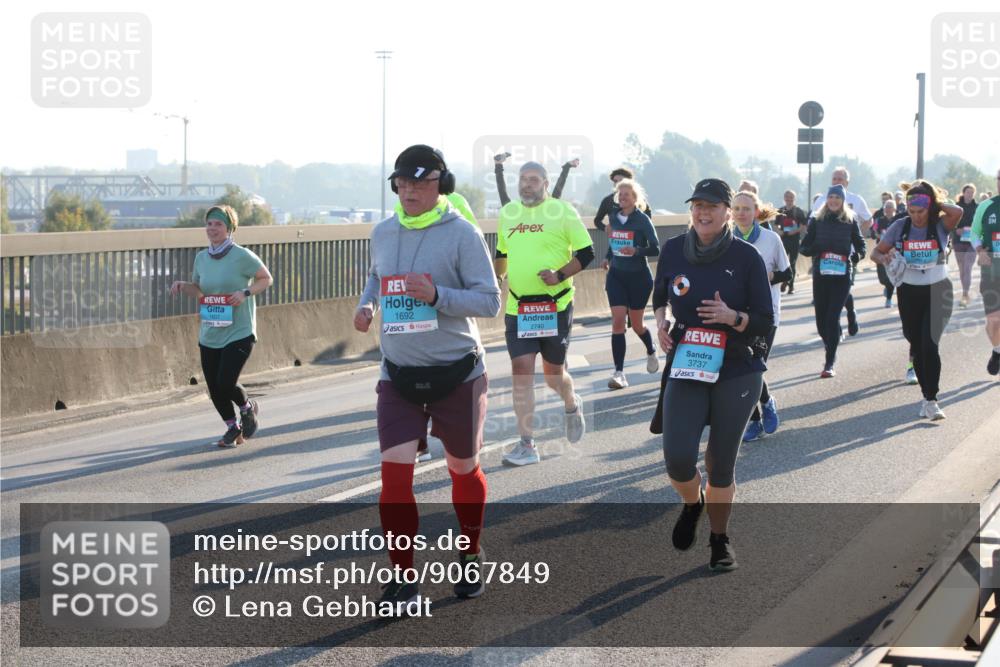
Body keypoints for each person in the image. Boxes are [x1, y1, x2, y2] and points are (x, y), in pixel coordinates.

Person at [354, 144, 501, 606]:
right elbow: (377, 277)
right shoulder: (381, 232)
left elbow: (490, 301)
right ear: (394, 184)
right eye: (404, 182)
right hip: (397, 373)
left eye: (422, 182)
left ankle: (471, 551)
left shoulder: (462, 234)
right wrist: (367, 303)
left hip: (456, 373)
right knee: (394, 479)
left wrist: (437, 295)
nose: (411, 190)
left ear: (442, 186)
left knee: (462, 470)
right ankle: (403, 578)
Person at [652, 178, 773, 571]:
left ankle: (719, 541)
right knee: (677, 458)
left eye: (712, 207)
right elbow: (660, 295)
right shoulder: (673, 250)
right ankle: (692, 502)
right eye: (697, 206)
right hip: (688, 362)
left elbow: (765, 321)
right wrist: (661, 322)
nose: (703, 213)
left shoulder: (747, 256)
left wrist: (732, 318)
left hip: (737, 366)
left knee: (721, 464)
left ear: (726, 213)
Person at [495, 161, 594, 466]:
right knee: (521, 372)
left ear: (546, 183)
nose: (527, 184)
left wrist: (560, 274)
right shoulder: (508, 213)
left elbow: (587, 252)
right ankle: (527, 444)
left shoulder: (562, 211)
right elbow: (502, 253)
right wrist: (497, 279)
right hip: (518, 306)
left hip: (555, 305)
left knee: (553, 376)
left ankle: (570, 401)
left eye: (534, 179)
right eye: (523, 179)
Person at [170, 205, 273, 447]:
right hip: (211, 330)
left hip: (239, 330)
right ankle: (232, 427)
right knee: (214, 386)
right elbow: (199, 290)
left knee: (226, 382)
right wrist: (183, 285)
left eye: (218, 224)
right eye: (209, 224)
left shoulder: (241, 255)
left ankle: (247, 409)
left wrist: (244, 292)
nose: (212, 228)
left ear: (229, 228)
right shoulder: (201, 258)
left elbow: (265, 278)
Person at [871, 180, 962, 418]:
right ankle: (926, 395)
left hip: (938, 289)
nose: (916, 216)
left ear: (930, 208)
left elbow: (958, 211)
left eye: (921, 211)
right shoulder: (900, 226)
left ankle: (931, 399)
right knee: (916, 344)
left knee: (929, 345)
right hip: (909, 291)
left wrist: (932, 199)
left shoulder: (940, 224)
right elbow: (876, 252)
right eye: (912, 211)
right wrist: (885, 259)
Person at [731, 191, 790, 441]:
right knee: (742, 369)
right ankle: (757, 415)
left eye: (746, 208)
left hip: (766, 314)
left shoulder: (770, 239)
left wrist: (767, 278)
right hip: (735, 315)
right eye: (736, 209)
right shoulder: (726, 240)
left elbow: (787, 273)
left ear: (756, 212)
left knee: (754, 368)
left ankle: (764, 406)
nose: (741, 213)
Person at [799, 185, 866, 378]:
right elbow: (804, 247)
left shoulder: (850, 220)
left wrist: (856, 256)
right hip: (821, 274)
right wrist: (816, 249)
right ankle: (848, 314)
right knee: (821, 322)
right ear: (827, 200)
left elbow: (861, 245)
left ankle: (829, 362)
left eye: (838, 197)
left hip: (843, 273)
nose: (834, 200)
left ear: (843, 200)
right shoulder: (817, 221)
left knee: (831, 317)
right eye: (831, 197)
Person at [601, 178, 660, 389]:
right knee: (618, 321)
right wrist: (608, 256)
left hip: (639, 278)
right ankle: (619, 373)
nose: (623, 197)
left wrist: (636, 251)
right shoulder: (613, 218)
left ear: (635, 198)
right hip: (617, 275)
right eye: (621, 194)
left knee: (636, 324)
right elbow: (613, 241)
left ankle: (651, 350)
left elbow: (655, 248)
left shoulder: (642, 220)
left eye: (627, 194)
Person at [969, 169, 1000, 376]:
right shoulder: (986, 206)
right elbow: (974, 233)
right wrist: (980, 250)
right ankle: (998, 350)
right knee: (993, 319)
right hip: (992, 271)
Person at [494, 153, 576, 207]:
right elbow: (503, 195)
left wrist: (566, 168)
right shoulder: (513, 210)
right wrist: (498, 165)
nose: (528, 185)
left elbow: (557, 191)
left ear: (545, 185)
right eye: (525, 179)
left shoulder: (550, 206)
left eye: (534, 180)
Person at [776, 190, 808, 294]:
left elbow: (803, 225)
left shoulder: (798, 211)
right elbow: (776, 225)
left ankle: (791, 286)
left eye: (791, 197)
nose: (789, 199)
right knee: (783, 263)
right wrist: (779, 231)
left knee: (792, 263)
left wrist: (795, 231)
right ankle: (785, 280)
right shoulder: (780, 210)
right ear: (784, 198)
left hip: (794, 240)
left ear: (794, 199)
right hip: (783, 240)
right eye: (787, 197)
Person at [953, 184, 979, 308]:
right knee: (962, 269)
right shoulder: (956, 207)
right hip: (958, 241)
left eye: (972, 192)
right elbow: (949, 223)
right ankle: (965, 291)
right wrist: (956, 230)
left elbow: (981, 224)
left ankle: (965, 294)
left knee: (968, 267)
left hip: (972, 241)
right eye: (968, 192)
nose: (970, 194)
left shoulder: (977, 207)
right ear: (963, 193)